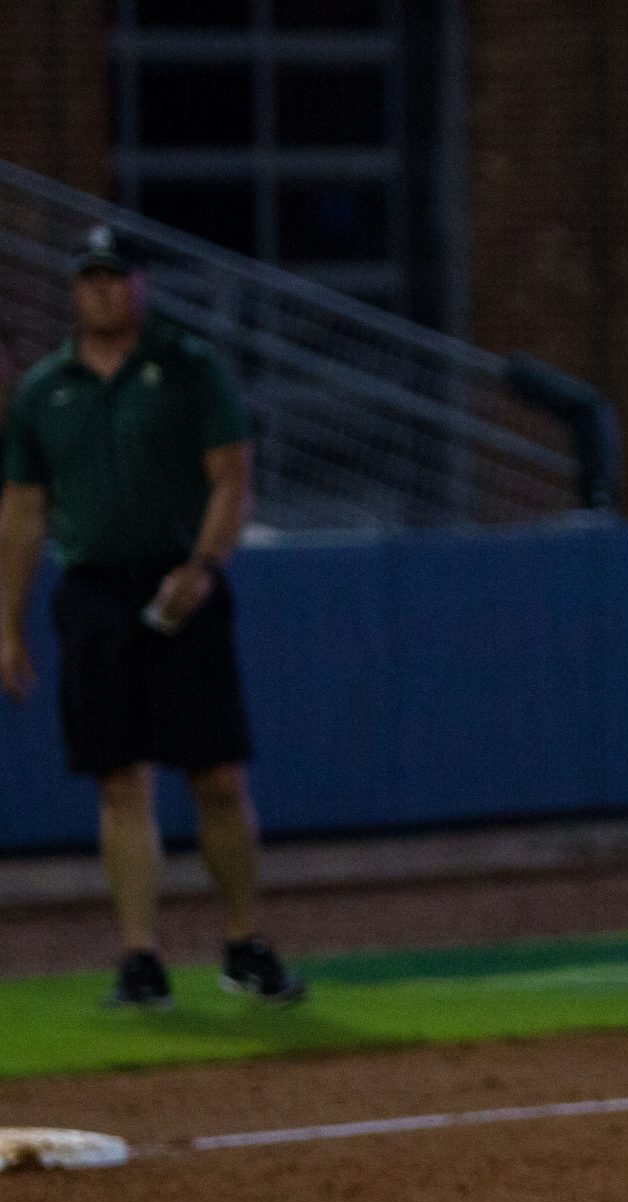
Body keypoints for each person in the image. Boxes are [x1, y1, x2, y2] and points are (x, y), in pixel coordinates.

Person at [0, 228, 304, 1008]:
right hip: (95, 591)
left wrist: (202, 567)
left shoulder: (186, 367)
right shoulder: (46, 388)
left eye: (115, 277)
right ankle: (141, 958)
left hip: (179, 587)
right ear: (75, 289)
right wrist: (8, 622)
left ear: (141, 285)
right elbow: (25, 511)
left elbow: (232, 477)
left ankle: (242, 942)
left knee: (216, 773)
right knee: (118, 780)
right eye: (89, 278)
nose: (102, 291)